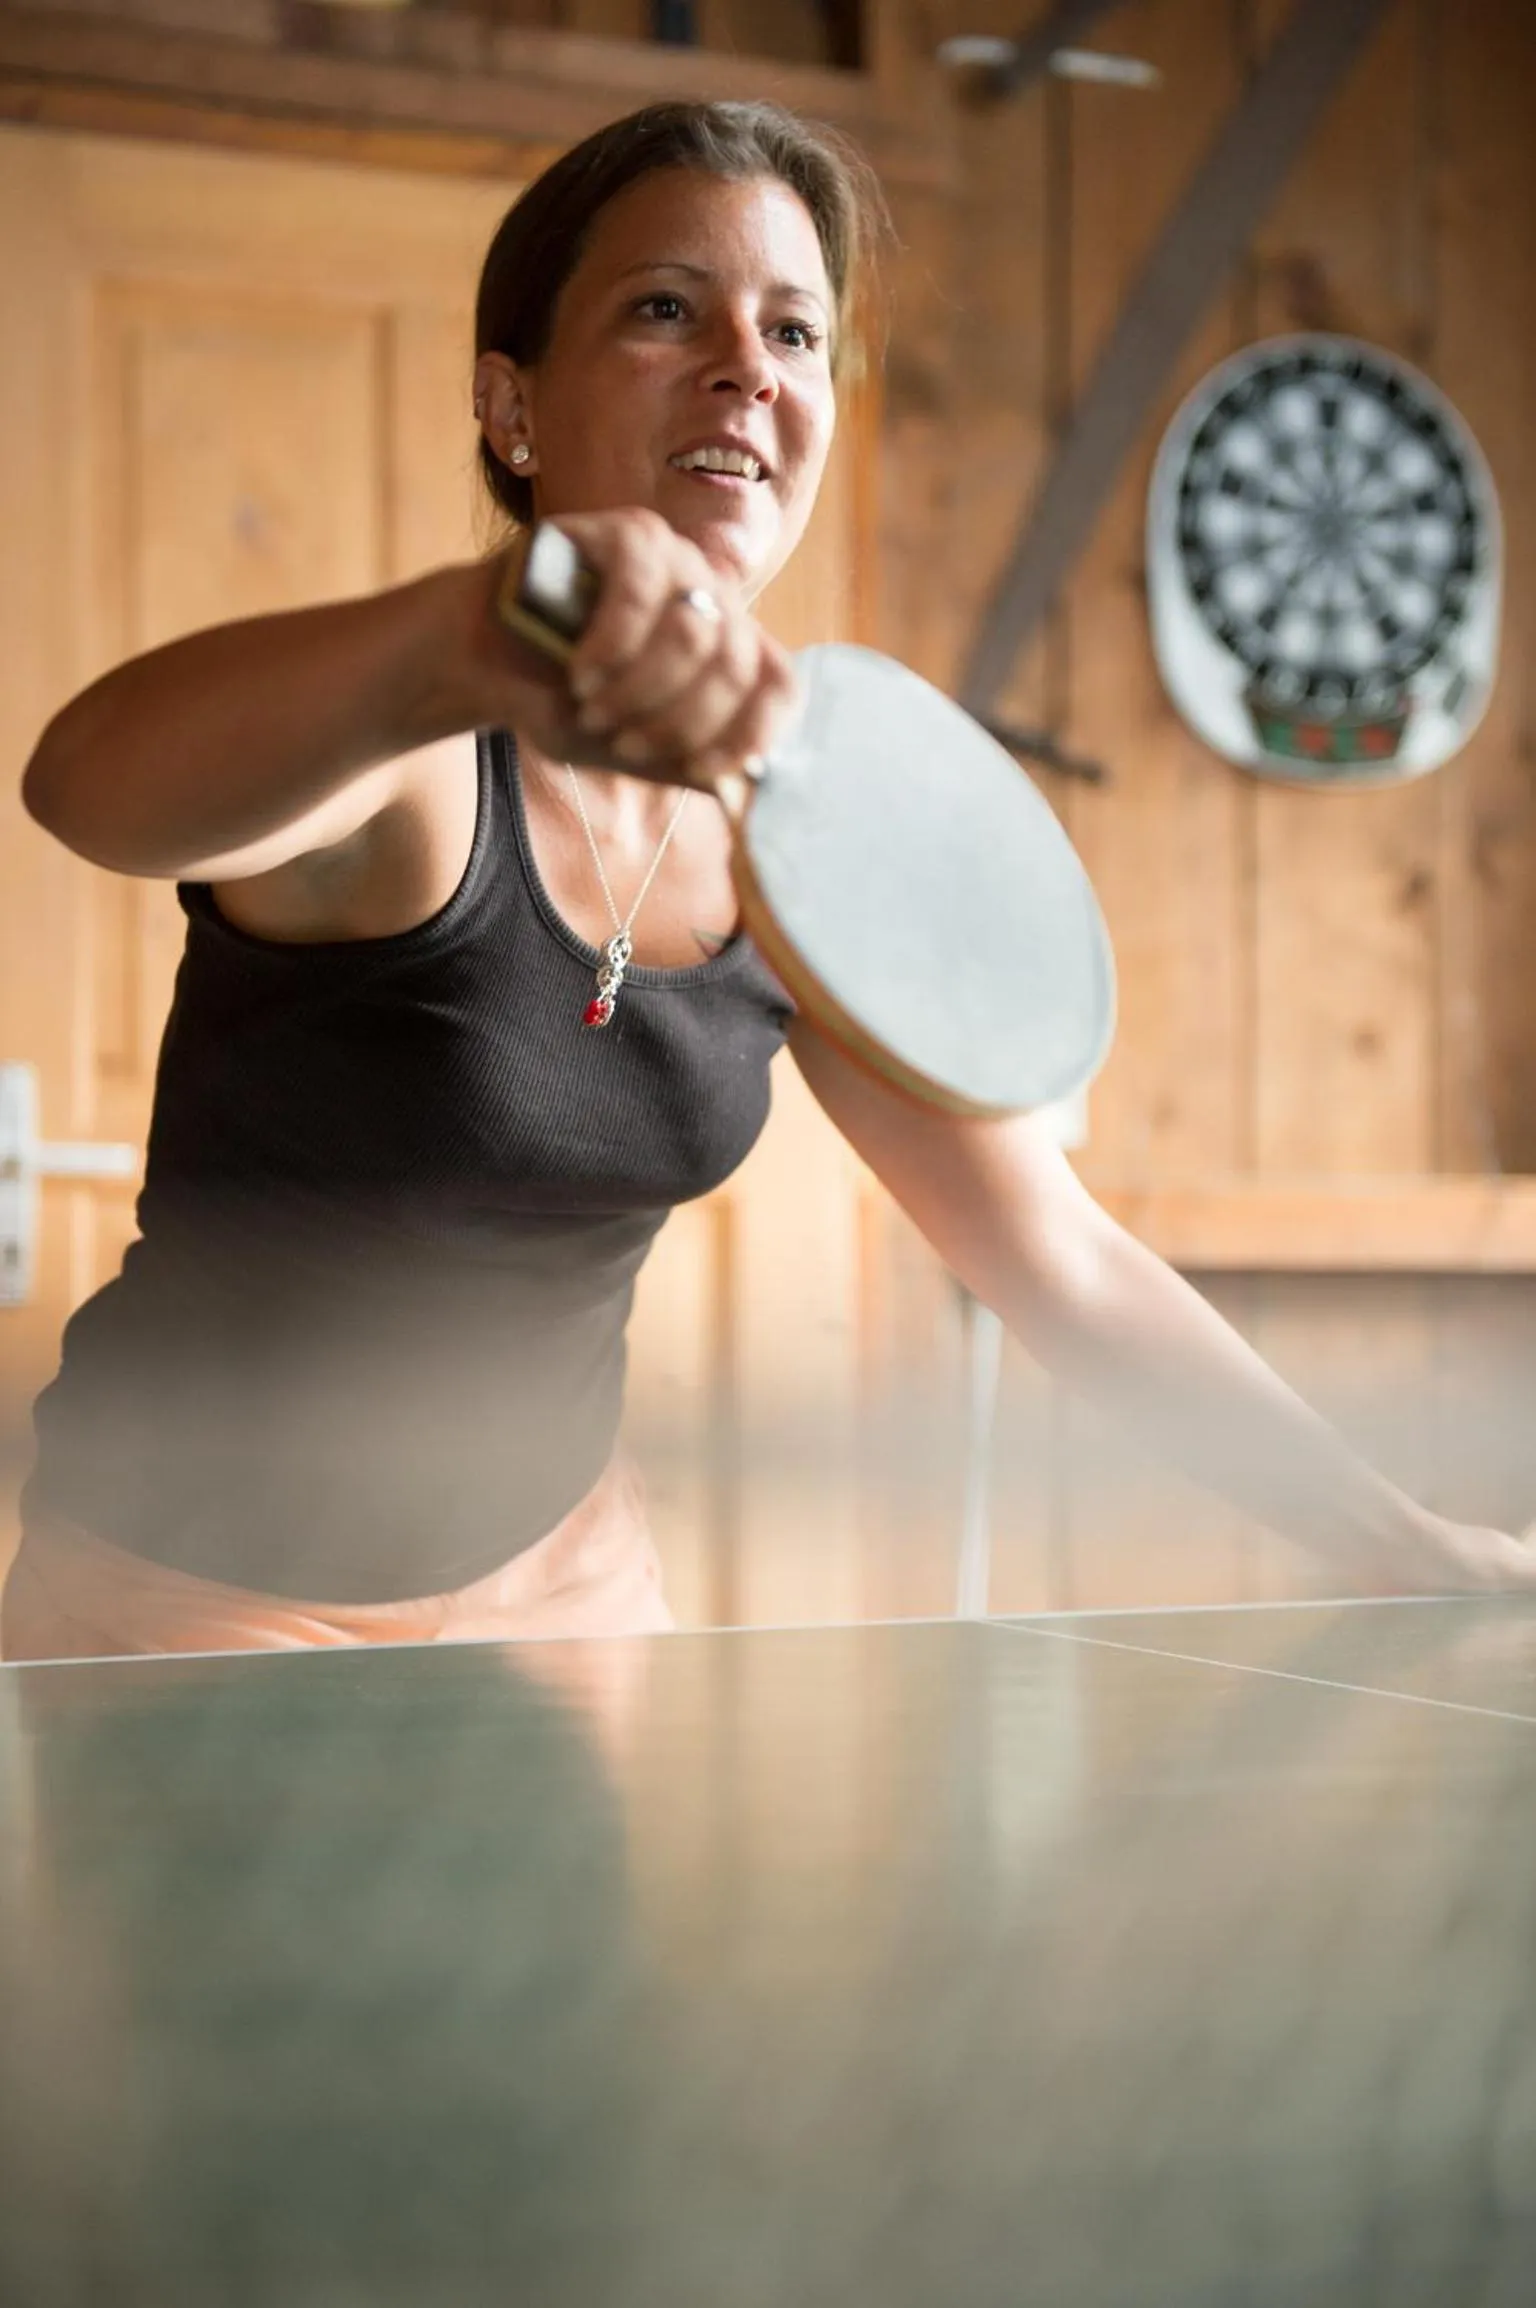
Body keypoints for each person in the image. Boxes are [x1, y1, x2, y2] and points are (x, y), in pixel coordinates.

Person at [6, 100, 1531, 1664]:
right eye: (667, 309)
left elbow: (1056, 1257)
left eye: (795, 331)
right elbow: (90, 790)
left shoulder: (803, 845)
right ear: (509, 404)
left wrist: (1397, 1538)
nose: (748, 363)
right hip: (194, 1587)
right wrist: (461, 639)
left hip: (566, 1595)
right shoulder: (410, 745)